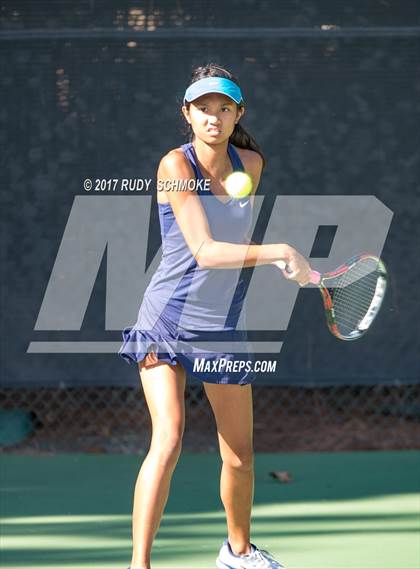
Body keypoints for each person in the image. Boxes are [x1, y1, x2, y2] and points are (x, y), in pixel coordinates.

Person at [119, 63, 311, 569]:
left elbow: (237, 244)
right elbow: (204, 249)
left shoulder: (252, 163)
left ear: (238, 113)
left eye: (223, 108)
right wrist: (278, 251)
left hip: (220, 323)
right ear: (187, 113)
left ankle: (238, 552)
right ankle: (139, 565)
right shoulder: (174, 167)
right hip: (166, 316)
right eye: (202, 108)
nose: (213, 117)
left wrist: (288, 265)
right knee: (169, 437)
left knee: (239, 455)